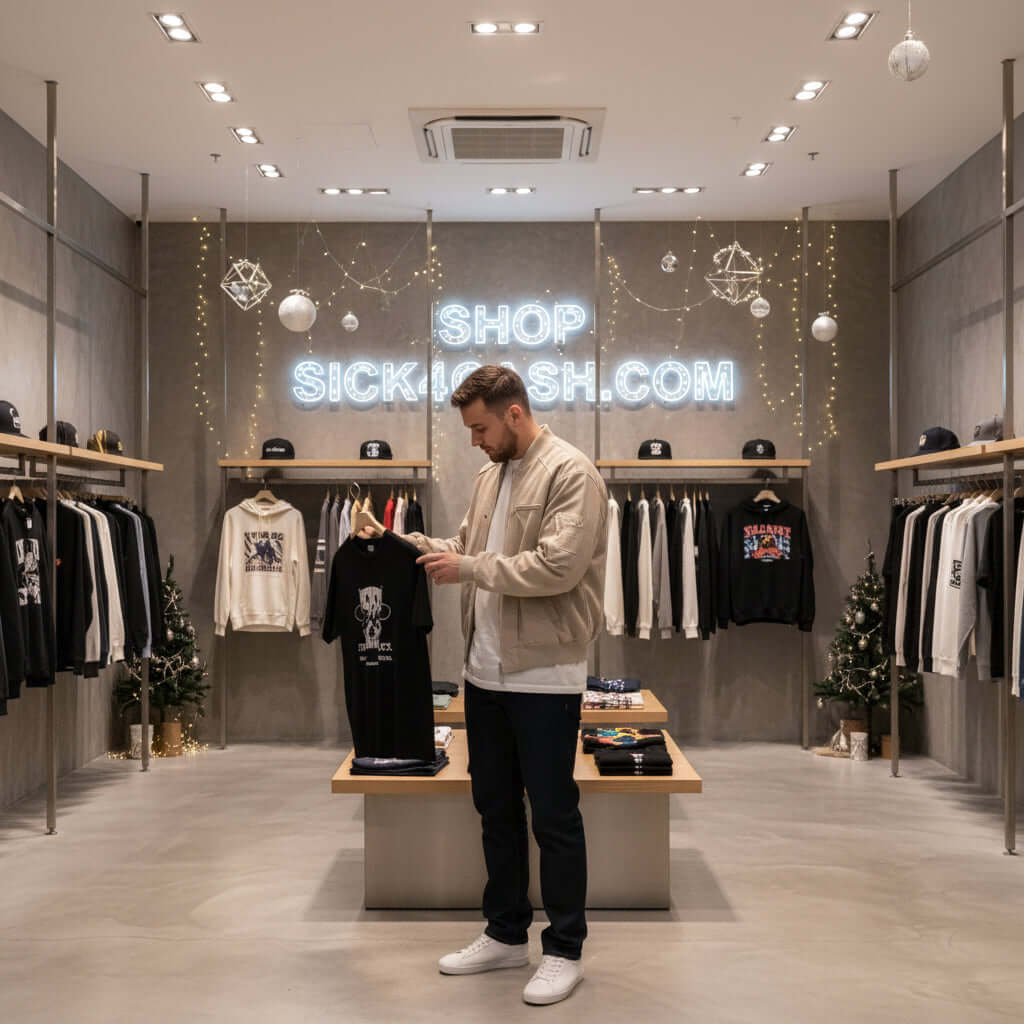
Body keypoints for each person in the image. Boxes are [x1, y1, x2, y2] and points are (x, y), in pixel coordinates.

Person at [402, 365, 607, 1006]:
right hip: (483, 673)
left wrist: (467, 567)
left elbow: (557, 567)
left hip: (544, 675)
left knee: (554, 815)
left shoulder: (572, 472)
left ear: (514, 412)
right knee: (494, 809)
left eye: (480, 427)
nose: (474, 440)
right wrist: (403, 543)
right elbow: (465, 546)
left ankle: (565, 949)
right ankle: (506, 933)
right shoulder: (490, 475)